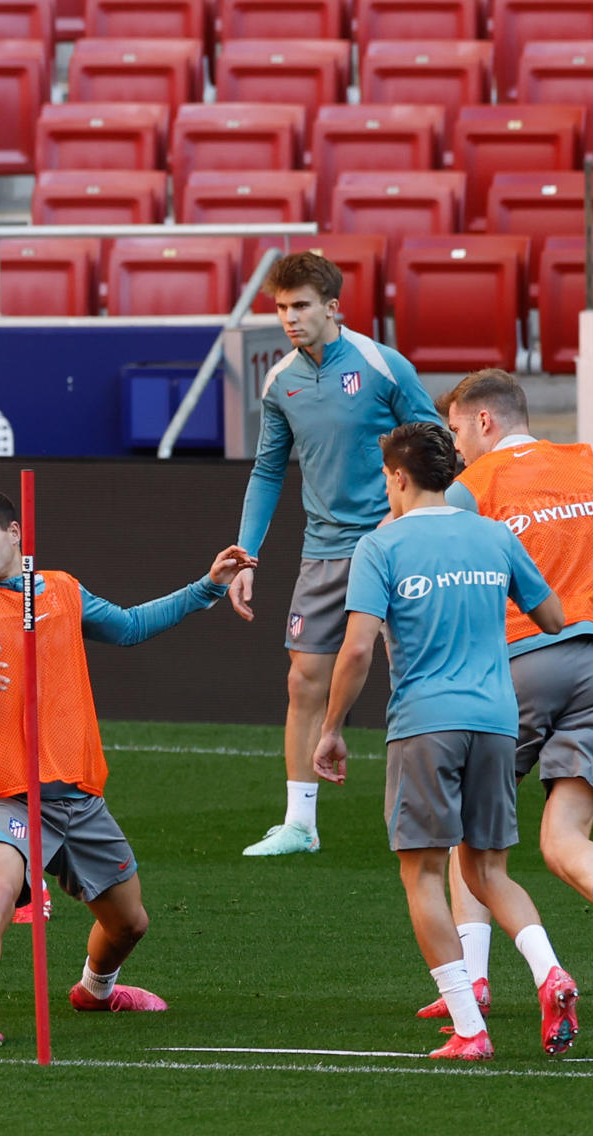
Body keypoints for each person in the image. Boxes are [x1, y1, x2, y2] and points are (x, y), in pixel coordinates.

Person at [0, 486, 255, 1045]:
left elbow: (130, 627)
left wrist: (207, 587)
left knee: (129, 923)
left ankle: (96, 990)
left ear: (15, 533)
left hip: (78, 798)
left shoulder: (61, 589)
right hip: (5, 793)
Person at [411, 368, 593, 1017]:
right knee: (564, 832)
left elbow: (431, 554)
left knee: (468, 828)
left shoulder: (472, 485)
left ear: (483, 422)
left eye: (457, 429)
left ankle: (475, 981)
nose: (456, 446)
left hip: (518, 663)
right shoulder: (592, 466)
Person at [314, 422, 578, 1061]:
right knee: (488, 872)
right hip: (495, 720)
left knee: (424, 876)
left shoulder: (381, 546)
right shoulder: (493, 535)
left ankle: (470, 1027)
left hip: (425, 725)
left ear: (399, 478)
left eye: (385, 476)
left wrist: (330, 729)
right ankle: (550, 973)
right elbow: (553, 618)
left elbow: (355, 650)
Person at [230, 252, 441, 859]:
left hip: (396, 546)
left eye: (300, 306)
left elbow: (436, 441)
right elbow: (268, 471)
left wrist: (404, 512)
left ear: (332, 307)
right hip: (322, 551)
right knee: (303, 681)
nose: (289, 318)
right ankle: (300, 824)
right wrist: (247, 556)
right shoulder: (280, 383)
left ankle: (431, 816)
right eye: (280, 308)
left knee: (415, 679)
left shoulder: (381, 365)